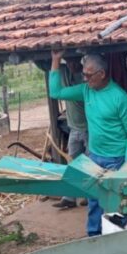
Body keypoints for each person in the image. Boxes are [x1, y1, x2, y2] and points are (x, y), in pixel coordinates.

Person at [48, 50, 127, 236]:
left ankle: (116, 238)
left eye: (89, 75)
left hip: (117, 158)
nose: (85, 78)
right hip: (95, 156)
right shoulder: (86, 91)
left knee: (116, 202)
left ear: (102, 74)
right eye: (84, 74)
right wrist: (56, 60)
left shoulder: (120, 98)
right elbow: (55, 92)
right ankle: (93, 237)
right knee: (94, 201)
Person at [52, 56, 89, 209]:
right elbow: (45, 67)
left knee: (89, 164)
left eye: (73, 61)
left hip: (90, 129)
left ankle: (89, 194)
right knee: (72, 163)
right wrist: (56, 57)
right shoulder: (65, 73)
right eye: (68, 62)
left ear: (80, 60)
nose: (70, 65)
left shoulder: (86, 79)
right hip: (74, 129)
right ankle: (70, 198)